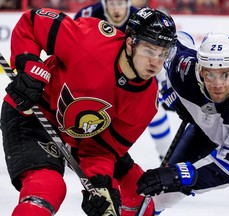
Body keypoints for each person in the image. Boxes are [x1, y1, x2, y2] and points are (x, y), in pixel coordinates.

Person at [0, 6, 177, 216]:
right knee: (48, 186)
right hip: (33, 111)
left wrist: (101, 183)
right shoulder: (90, 41)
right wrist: (29, 67)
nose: (156, 63)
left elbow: (102, 149)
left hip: (83, 133)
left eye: (163, 54)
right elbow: (32, 22)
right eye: (149, 50)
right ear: (130, 44)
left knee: (138, 193)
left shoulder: (146, 101)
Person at [136, 32, 229, 216]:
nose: (218, 85)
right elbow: (176, 38)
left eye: (226, 75)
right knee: (160, 194)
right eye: (209, 74)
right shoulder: (183, 65)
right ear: (199, 69)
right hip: (209, 129)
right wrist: (170, 89)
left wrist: (179, 176)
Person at [75, 0, 175, 161]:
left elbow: (159, 53)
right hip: (98, 76)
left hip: (135, 77)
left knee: (155, 113)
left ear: (128, 4)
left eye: (120, 4)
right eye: (112, 4)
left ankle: (168, 157)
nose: (116, 9)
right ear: (104, 3)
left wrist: (165, 85)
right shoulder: (88, 15)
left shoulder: (142, 19)